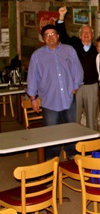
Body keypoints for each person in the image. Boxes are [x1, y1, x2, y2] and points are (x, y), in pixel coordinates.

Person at [27, 24, 84, 160]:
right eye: (47, 35)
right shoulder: (37, 56)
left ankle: (71, 153)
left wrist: (75, 86)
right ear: (43, 38)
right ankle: (52, 158)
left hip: (68, 98)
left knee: (71, 128)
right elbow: (32, 77)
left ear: (58, 36)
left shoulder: (69, 50)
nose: (50, 37)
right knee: (51, 132)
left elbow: (78, 69)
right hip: (49, 100)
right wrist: (33, 99)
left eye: (53, 34)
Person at [57, 6, 99, 132]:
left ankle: (93, 144)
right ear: (80, 36)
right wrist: (61, 17)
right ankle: (75, 144)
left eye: (89, 33)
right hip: (76, 87)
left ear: (92, 36)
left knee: (92, 117)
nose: (86, 35)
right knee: (74, 116)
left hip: (92, 86)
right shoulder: (74, 46)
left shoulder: (97, 49)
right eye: (84, 33)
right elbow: (63, 36)